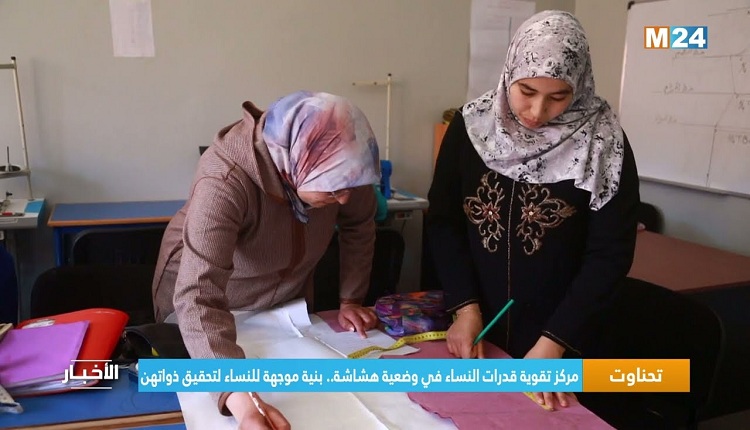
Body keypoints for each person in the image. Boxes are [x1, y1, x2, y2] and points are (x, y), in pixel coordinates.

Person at [426, 10, 640, 411]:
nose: (537, 112)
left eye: (558, 97)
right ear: (509, 72)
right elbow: (444, 223)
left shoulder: (604, 144)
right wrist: (464, 307)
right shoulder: (472, 128)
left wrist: (553, 344)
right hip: (479, 326)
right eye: (526, 91)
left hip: (563, 337)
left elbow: (609, 255)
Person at [152, 91, 382, 429]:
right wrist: (241, 399)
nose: (345, 198)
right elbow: (197, 295)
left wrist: (351, 299)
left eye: (353, 185)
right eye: (333, 189)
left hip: (282, 304)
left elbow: (360, 224)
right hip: (208, 303)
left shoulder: (340, 165)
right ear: (294, 166)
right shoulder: (224, 179)